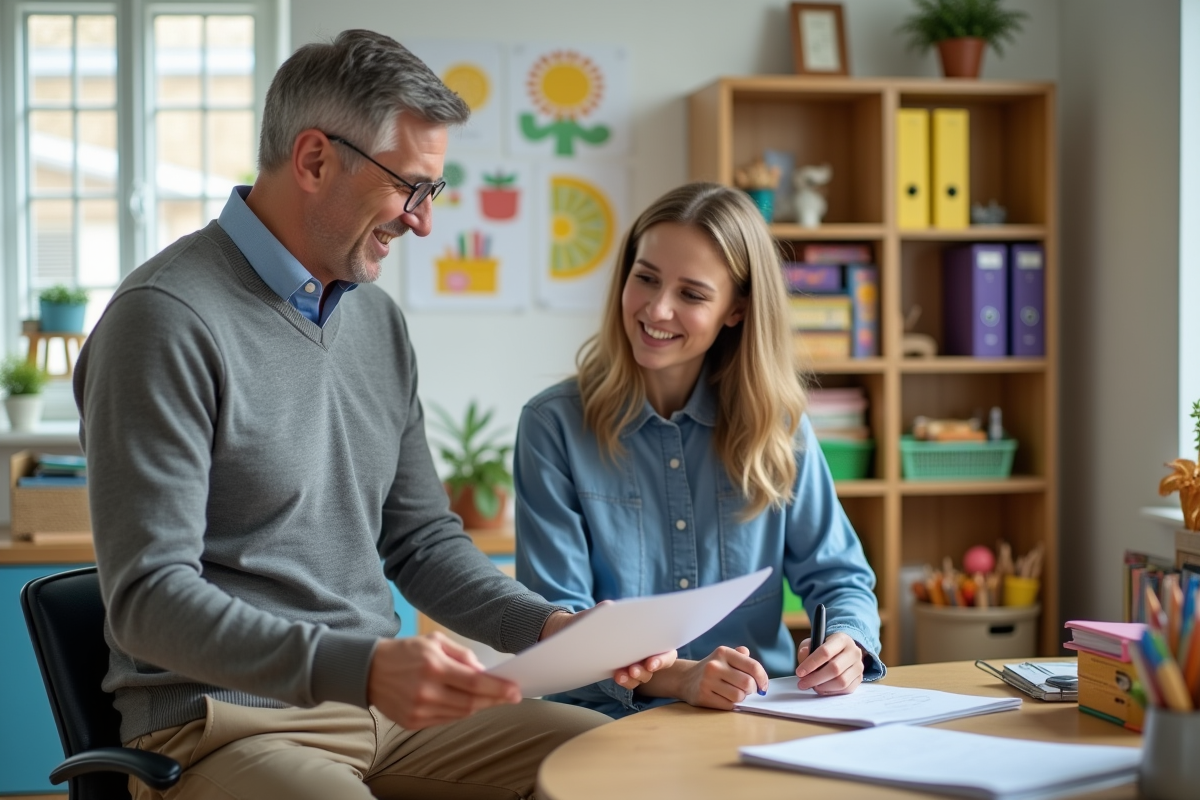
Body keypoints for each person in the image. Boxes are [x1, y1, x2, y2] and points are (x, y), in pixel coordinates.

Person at [74, 30, 670, 800]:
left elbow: (421, 542)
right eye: (409, 187)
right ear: (315, 159)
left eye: (432, 192)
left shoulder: (376, 325)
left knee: (621, 766)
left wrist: (555, 629)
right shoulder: (164, 319)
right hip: (220, 723)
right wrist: (362, 666)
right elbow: (148, 601)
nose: (422, 221)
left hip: (380, 713)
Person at [514, 182, 885, 718]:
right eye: (645, 279)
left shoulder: (777, 425)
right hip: (601, 725)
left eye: (691, 294)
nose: (657, 309)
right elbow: (557, 623)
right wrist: (680, 678)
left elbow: (839, 577)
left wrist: (847, 644)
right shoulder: (552, 426)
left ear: (736, 310)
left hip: (760, 716)